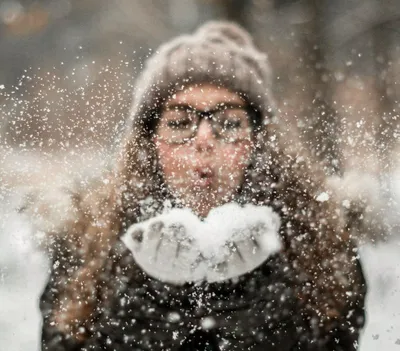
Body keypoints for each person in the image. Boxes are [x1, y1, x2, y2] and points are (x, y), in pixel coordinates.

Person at [38, 22, 366, 350]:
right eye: (180, 122)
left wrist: (245, 301)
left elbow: (336, 341)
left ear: (259, 142)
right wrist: (161, 299)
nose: (204, 140)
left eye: (229, 122)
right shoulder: (87, 239)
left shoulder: (318, 237)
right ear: (149, 142)